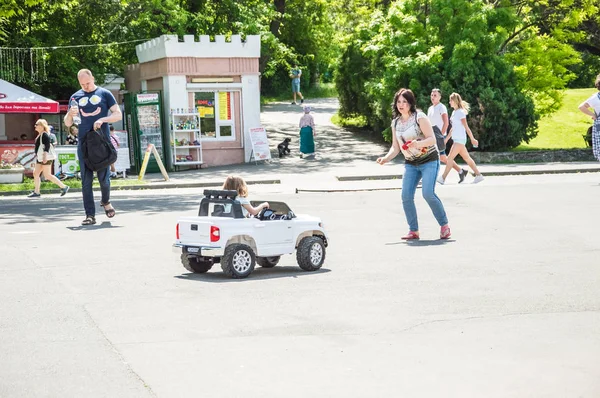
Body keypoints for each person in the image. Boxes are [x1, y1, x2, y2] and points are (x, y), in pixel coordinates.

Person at [376, 88, 451, 240]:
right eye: (398, 102)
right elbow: (396, 147)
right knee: (406, 195)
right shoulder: (395, 123)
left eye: (404, 101)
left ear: (410, 103)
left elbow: (432, 139)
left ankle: (444, 226)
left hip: (429, 160)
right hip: (411, 163)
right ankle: (413, 230)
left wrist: (417, 144)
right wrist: (386, 158)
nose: (401, 104)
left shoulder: (419, 117)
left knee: (428, 193)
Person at [64, 69, 122, 225]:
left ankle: (106, 201)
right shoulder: (75, 97)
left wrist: (103, 119)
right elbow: (68, 123)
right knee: (86, 181)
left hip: (102, 142)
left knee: (104, 179)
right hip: (84, 144)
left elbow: (118, 114)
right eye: (83, 84)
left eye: (88, 83)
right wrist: (70, 114)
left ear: (93, 78)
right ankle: (90, 215)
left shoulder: (104, 93)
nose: (86, 87)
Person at [437, 93, 484, 184]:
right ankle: (479, 175)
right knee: (467, 158)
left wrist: (472, 138)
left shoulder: (460, 113)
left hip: (460, 139)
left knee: (450, 158)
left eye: (451, 100)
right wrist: (446, 139)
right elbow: (453, 128)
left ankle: (442, 178)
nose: (449, 102)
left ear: (455, 101)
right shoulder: (454, 112)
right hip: (457, 139)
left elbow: (466, 127)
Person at [428, 88, 467, 182]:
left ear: (440, 97)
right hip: (432, 137)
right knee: (442, 157)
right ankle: (461, 171)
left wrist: (441, 136)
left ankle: (431, 177)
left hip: (439, 136)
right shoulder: (430, 108)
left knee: (432, 156)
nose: (433, 97)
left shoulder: (441, 107)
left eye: (435, 95)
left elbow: (446, 123)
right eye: (432, 95)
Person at [27, 119, 70, 198]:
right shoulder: (40, 135)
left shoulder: (44, 135)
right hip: (40, 157)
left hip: (45, 157)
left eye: (37, 124)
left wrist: (45, 157)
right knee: (36, 173)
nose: (35, 126)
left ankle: (64, 187)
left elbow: (46, 146)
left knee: (47, 175)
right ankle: (36, 191)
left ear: (42, 126)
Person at [578, 73, 600, 162]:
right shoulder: (595, 98)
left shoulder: (595, 98)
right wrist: (593, 115)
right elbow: (581, 107)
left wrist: (593, 115)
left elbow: (581, 107)